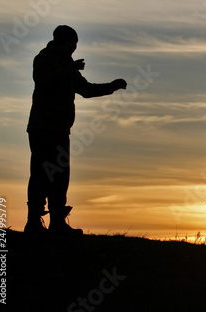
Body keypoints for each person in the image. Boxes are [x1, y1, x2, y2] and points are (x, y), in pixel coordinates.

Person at [25, 25, 127, 235]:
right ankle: (33, 222)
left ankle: (57, 223)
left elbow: (86, 90)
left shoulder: (68, 65)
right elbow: (42, 81)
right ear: (60, 42)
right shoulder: (43, 59)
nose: (74, 48)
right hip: (42, 128)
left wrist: (112, 86)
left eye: (76, 45)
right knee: (40, 175)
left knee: (60, 177)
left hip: (61, 130)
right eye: (71, 44)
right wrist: (68, 71)